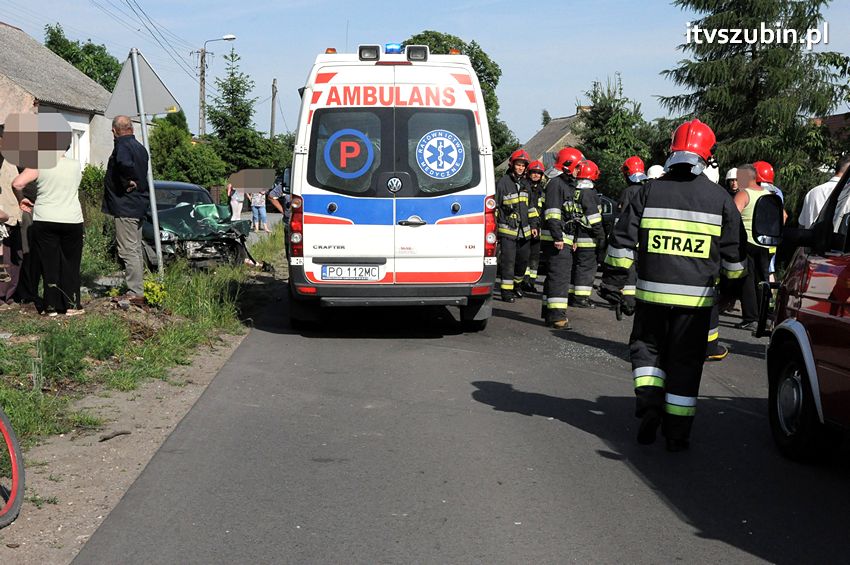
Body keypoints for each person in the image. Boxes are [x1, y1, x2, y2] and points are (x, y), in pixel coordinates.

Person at [601, 119, 746, 451]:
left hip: (651, 296)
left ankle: (650, 404)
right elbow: (735, 256)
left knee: (646, 350)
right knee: (685, 362)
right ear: (707, 154)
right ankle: (677, 433)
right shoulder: (720, 198)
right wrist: (733, 291)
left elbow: (622, 242)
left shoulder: (648, 191)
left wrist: (613, 282)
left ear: (672, 151)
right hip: (695, 305)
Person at [12, 150, 85, 316]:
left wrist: (21, 199)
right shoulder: (75, 165)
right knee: (70, 263)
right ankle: (71, 304)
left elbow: (17, 183)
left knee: (49, 262)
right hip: (72, 219)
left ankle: (50, 306)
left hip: (45, 218)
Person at [103, 116, 149, 300]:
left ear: (115, 130)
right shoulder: (140, 148)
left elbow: (123, 164)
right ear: (131, 128)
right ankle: (138, 289)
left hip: (126, 206)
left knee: (128, 250)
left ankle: (134, 292)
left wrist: (126, 181)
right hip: (138, 205)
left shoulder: (121, 145)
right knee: (135, 249)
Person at [541, 147, 583, 328]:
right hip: (557, 239)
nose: (578, 170)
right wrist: (558, 237)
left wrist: (573, 239)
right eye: (576, 166)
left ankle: (549, 313)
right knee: (560, 277)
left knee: (554, 276)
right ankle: (557, 317)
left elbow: (570, 215)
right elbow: (552, 213)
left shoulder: (565, 185)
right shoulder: (556, 184)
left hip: (565, 237)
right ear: (567, 165)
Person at [734, 164, 775, 331]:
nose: (736, 181)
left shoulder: (744, 194)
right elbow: (783, 216)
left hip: (746, 242)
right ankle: (765, 317)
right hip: (764, 243)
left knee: (747, 282)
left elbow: (732, 214)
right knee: (762, 279)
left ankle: (751, 318)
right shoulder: (768, 194)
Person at [495, 149, 535, 303]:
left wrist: (534, 225)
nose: (520, 168)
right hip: (508, 230)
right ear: (512, 165)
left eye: (523, 165)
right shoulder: (503, 183)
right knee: (508, 262)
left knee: (523, 261)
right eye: (518, 165)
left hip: (524, 231)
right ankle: (506, 292)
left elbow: (531, 208)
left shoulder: (526, 184)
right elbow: (495, 206)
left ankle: (517, 285)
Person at [569, 159, 604, 308]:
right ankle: (581, 298)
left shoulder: (574, 191)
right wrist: (601, 236)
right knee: (587, 268)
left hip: (576, 237)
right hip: (588, 238)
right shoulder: (588, 193)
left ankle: (572, 294)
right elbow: (594, 218)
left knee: (576, 267)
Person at [799, 156, 850, 229]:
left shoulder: (813, 192)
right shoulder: (847, 194)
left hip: (810, 238)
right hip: (837, 239)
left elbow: (802, 225)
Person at [521, 160, 546, 292]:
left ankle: (531, 282)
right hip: (527, 226)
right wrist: (532, 225)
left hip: (539, 227)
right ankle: (523, 281)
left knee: (535, 256)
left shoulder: (542, 191)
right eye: (534, 172)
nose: (536, 175)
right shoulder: (525, 187)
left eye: (539, 173)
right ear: (528, 173)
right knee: (525, 255)